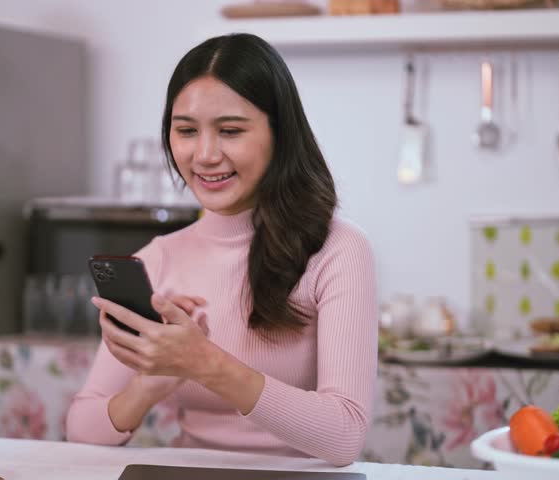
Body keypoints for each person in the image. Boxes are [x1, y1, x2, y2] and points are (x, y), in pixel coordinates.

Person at [66, 33, 378, 467]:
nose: (205, 154)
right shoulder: (158, 258)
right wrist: (153, 381)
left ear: (280, 135)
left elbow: (345, 434)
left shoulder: (338, 251)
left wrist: (204, 362)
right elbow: (82, 428)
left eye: (230, 131)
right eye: (186, 131)